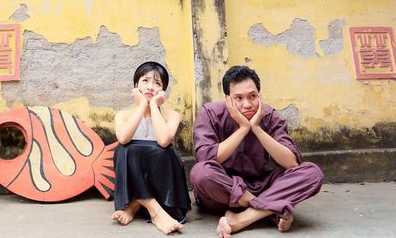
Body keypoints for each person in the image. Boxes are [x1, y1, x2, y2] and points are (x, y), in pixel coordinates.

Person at [190, 66, 324, 237]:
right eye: (238, 98)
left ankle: (242, 218)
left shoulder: (269, 115)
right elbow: (206, 158)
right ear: (228, 99)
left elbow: (291, 162)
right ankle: (272, 209)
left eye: (252, 96)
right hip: (223, 190)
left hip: (261, 186)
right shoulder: (210, 113)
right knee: (200, 172)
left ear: (259, 95)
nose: (247, 104)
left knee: (312, 173)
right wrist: (243, 129)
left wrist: (256, 128)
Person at [111, 61, 191, 234]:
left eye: (157, 83)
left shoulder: (172, 115)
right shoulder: (123, 115)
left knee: (166, 151)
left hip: (161, 179)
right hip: (135, 176)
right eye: (145, 81)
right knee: (124, 149)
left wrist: (153, 105)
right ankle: (156, 212)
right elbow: (123, 138)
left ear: (162, 91)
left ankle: (134, 206)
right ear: (136, 86)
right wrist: (142, 105)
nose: (150, 86)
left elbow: (164, 141)